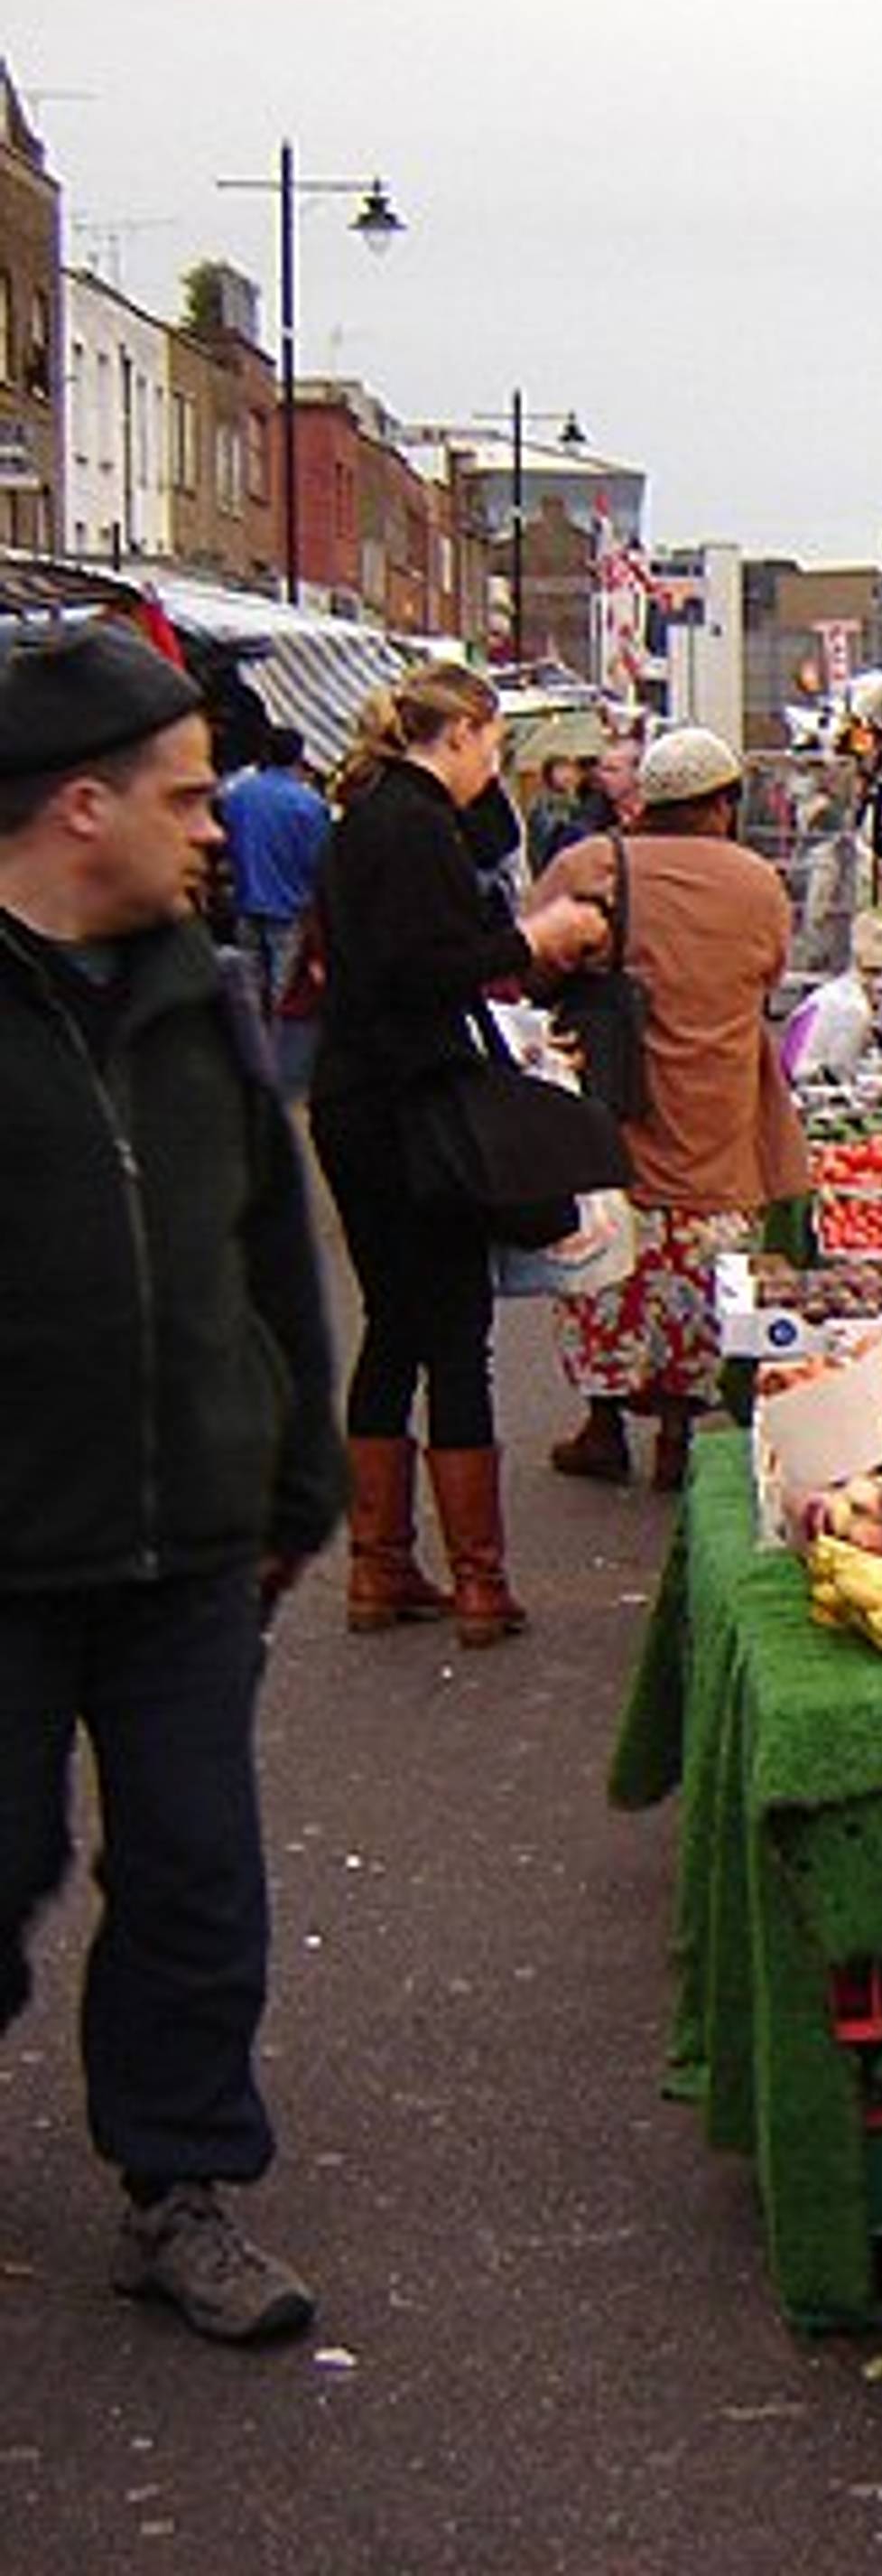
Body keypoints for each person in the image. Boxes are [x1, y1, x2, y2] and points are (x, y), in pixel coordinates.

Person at [0, 624, 346, 2343]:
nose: (219, 827)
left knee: (198, 1875)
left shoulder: (195, 1000)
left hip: (189, 1545)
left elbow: (271, 1260)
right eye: (188, 796)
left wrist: (294, 1482)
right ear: (83, 808)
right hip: (11, 1540)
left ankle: (180, 2190)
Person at [308, 664, 608, 1647]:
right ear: (466, 732)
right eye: (492, 745)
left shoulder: (373, 819)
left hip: (356, 1102)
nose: (497, 765)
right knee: (453, 1335)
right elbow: (428, 965)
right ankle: (481, 1583)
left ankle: (378, 1568)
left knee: (394, 1329)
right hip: (415, 1110)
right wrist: (539, 935)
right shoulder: (409, 828)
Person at [527, 726, 810, 1490]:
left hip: (611, 1104)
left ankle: (603, 1422)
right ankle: (681, 1430)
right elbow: (769, 974)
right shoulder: (756, 882)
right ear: (722, 802)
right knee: (701, 1267)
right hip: (720, 1110)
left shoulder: (591, 865)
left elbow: (531, 958)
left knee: (607, 1267)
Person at [218, 725, 329, 1025]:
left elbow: (226, 843)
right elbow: (318, 862)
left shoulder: (238, 795)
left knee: (247, 994)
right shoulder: (309, 804)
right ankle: (277, 1061)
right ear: (299, 757)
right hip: (291, 908)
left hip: (246, 900)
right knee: (285, 996)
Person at [522, 751, 592, 873]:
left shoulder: (579, 799)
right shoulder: (543, 804)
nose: (568, 776)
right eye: (560, 769)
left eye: (569, 770)